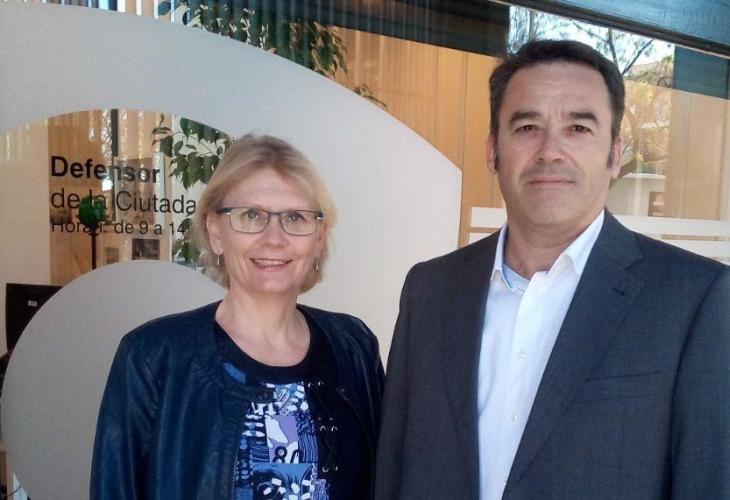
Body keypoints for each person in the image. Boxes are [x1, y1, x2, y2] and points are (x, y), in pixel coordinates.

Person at [375, 39, 730, 499]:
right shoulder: (429, 289)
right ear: (493, 151)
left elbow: (707, 481)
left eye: (578, 128)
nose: (550, 151)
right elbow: (395, 467)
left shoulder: (692, 299)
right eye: (527, 127)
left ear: (615, 154)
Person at [92, 134, 384, 499]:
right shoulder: (153, 357)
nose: (274, 238)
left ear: (319, 238)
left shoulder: (354, 347)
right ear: (215, 233)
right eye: (251, 216)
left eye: (295, 217)